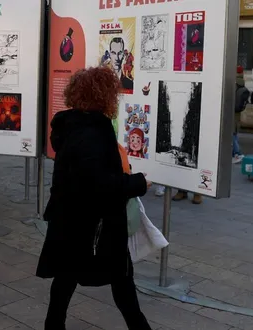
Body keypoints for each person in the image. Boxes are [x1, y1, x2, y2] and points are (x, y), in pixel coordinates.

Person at [36, 66, 153, 330]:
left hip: (69, 219)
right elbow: (99, 183)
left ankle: (53, 326)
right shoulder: (93, 132)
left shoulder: (71, 126)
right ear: (103, 95)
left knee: (66, 278)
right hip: (93, 224)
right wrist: (137, 182)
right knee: (121, 279)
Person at [234, 66, 250, 164]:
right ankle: (235, 154)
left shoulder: (233, 82)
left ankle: (238, 153)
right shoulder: (242, 82)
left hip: (230, 113)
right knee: (234, 133)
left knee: (231, 135)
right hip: (237, 113)